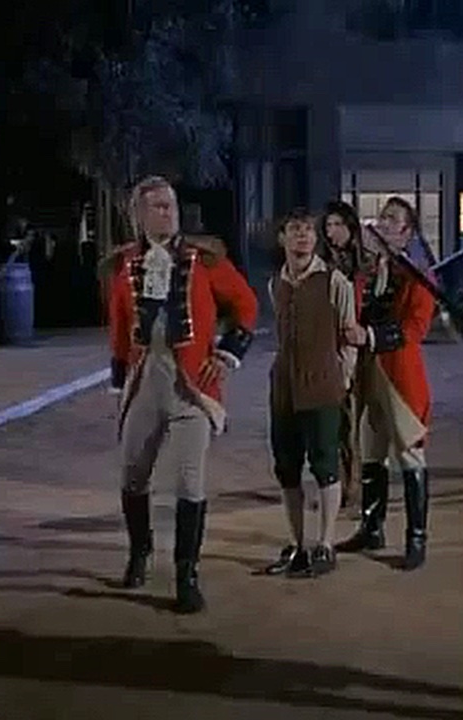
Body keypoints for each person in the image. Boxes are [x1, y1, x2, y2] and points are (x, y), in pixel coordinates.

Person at [108, 175, 259, 614]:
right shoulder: (124, 264)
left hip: (193, 388)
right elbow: (119, 326)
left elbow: (247, 305)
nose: (167, 212)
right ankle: (140, 553)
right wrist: (119, 382)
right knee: (132, 475)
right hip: (144, 382)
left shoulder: (203, 259)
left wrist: (227, 354)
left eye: (171, 204)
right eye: (157, 206)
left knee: (190, 481)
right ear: (139, 215)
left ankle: (186, 575)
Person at [335, 197, 437, 571]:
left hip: (400, 375)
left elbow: (415, 328)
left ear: (407, 232)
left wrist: (371, 336)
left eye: (393, 219)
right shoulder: (369, 271)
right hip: (369, 373)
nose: (383, 223)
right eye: (382, 217)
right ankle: (371, 527)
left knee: (410, 455)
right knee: (371, 450)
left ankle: (416, 538)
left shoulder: (418, 275)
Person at [264, 208, 357, 578]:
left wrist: (342, 380)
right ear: (282, 238)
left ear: (316, 239)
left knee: (325, 466)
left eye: (307, 230)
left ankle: (326, 544)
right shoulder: (276, 283)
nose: (302, 236)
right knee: (286, 468)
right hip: (284, 388)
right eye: (294, 229)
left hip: (322, 386)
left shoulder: (335, 281)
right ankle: (298, 545)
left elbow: (349, 335)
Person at [319, 200, 365, 510]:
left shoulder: (364, 265)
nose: (332, 232)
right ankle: (340, 483)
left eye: (337, 225)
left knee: (356, 422)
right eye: (328, 226)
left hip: (360, 344)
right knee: (337, 422)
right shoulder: (322, 266)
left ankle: (355, 483)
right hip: (332, 347)